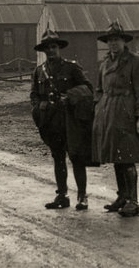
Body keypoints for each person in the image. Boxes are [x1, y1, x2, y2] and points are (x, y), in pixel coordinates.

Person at [92, 21, 139, 217]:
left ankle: (134, 201)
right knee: (116, 157)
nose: (113, 44)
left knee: (127, 157)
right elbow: (99, 90)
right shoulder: (104, 64)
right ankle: (122, 196)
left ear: (123, 41)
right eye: (110, 41)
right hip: (109, 115)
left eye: (116, 40)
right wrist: (99, 109)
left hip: (127, 114)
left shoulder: (135, 62)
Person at [30, 28, 94, 210]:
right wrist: (38, 108)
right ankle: (62, 195)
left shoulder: (71, 68)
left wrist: (70, 96)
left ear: (59, 48)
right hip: (51, 121)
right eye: (47, 48)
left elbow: (87, 88)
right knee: (57, 157)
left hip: (70, 119)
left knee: (76, 157)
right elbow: (34, 94)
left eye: (54, 47)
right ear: (43, 51)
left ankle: (82, 196)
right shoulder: (39, 71)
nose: (51, 50)